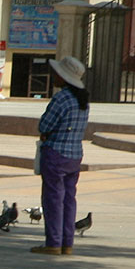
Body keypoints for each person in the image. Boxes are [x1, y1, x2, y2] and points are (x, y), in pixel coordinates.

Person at [30, 54, 90, 256]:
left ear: (63, 77)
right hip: (75, 155)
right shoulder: (83, 101)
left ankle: (53, 243)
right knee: (69, 199)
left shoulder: (61, 98)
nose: (54, 76)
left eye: (57, 73)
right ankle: (67, 243)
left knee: (53, 199)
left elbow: (44, 125)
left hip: (55, 153)